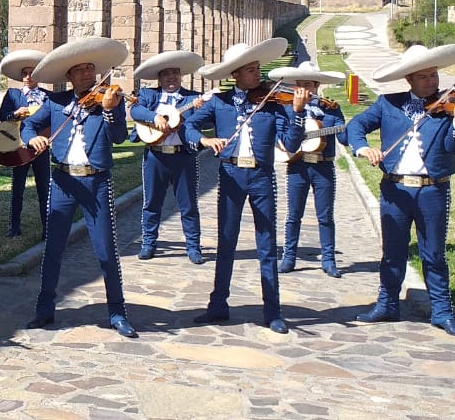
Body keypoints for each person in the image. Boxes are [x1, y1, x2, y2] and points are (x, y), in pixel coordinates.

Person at [347, 43, 455, 338]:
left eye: (434, 74)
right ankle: (387, 303)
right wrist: (364, 148)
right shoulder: (387, 104)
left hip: (433, 191)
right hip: (395, 189)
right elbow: (355, 126)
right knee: (392, 252)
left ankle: (441, 311)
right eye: (425, 77)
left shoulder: (448, 108)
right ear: (409, 79)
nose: (433, 82)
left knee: (434, 254)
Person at [181, 38, 304, 335]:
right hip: (231, 174)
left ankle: (272, 310)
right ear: (235, 74)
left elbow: (290, 143)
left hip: (262, 176)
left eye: (257, 68)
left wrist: (298, 113)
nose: (257, 75)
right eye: (250, 70)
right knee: (226, 241)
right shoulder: (220, 102)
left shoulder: (273, 102)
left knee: (266, 242)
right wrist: (205, 140)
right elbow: (187, 125)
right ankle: (218, 305)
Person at [21, 37, 138, 338]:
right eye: (80, 70)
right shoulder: (55, 103)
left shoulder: (108, 100)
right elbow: (29, 126)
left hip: (96, 181)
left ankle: (117, 312)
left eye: (91, 68)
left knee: (106, 249)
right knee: (54, 247)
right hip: (62, 180)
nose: (87, 74)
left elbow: (119, 137)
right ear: (69, 76)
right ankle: (44, 309)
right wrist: (31, 137)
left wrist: (111, 111)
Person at [268, 61, 348, 279]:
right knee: (294, 215)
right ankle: (289, 257)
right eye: (300, 85)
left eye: (309, 85)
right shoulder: (287, 109)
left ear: (317, 85)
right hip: (298, 165)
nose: (305, 90)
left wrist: (347, 129)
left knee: (325, 215)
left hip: (323, 165)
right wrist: (296, 116)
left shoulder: (330, 110)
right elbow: (282, 136)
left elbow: (344, 137)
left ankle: (329, 259)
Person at [128, 50, 207, 263]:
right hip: (156, 157)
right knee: (152, 202)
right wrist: (155, 117)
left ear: (180, 75)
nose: (171, 77)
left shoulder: (192, 98)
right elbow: (135, 111)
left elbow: (206, 123)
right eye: (166, 74)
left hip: (183, 157)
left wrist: (201, 108)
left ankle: (193, 246)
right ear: (159, 78)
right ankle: (148, 243)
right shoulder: (149, 96)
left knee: (188, 204)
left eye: (175, 73)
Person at [0, 49, 50, 238]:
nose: (28, 77)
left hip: (41, 148)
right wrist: (14, 115)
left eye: (32, 73)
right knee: (17, 187)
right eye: (25, 73)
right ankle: (14, 226)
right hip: (18, 146)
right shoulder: (13, 94)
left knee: (44, 187)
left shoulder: (47, 96)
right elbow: (2, 119)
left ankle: (47, 226)